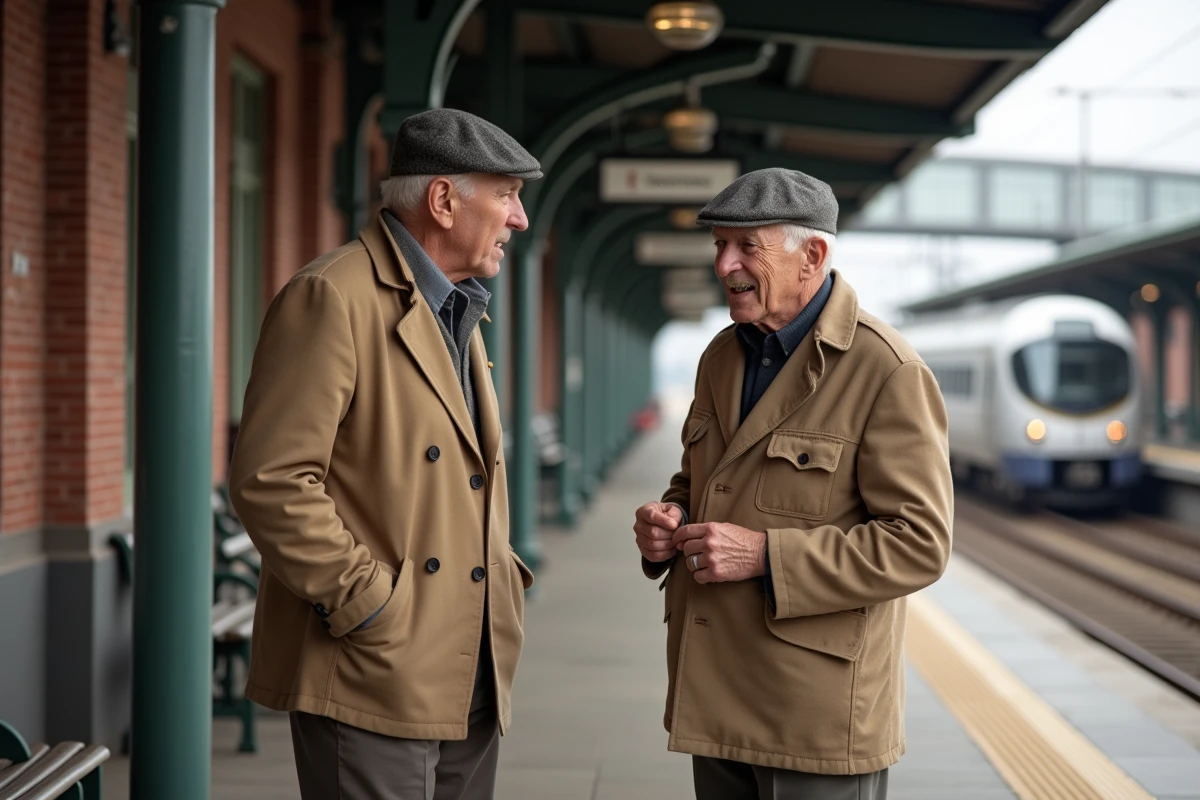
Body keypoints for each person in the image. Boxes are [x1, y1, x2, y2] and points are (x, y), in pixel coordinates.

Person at [228, 108, 539, 800]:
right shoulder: (331, 297)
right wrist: (367, 602)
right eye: (508, 195)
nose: (518, 220)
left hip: (471, 657)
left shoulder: (458, 309)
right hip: (374, 660)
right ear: (444, 200)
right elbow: (271, 480)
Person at [632, 167, 953, 800]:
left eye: (746, 246)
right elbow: (698, 481)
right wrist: (666, 523)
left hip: (814, 715)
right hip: (714, 697)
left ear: (813, 255)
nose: (724, 265)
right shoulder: (721, 356)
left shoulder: (886, 370)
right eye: (719, 245)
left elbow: (919, 543)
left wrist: (762, 555)